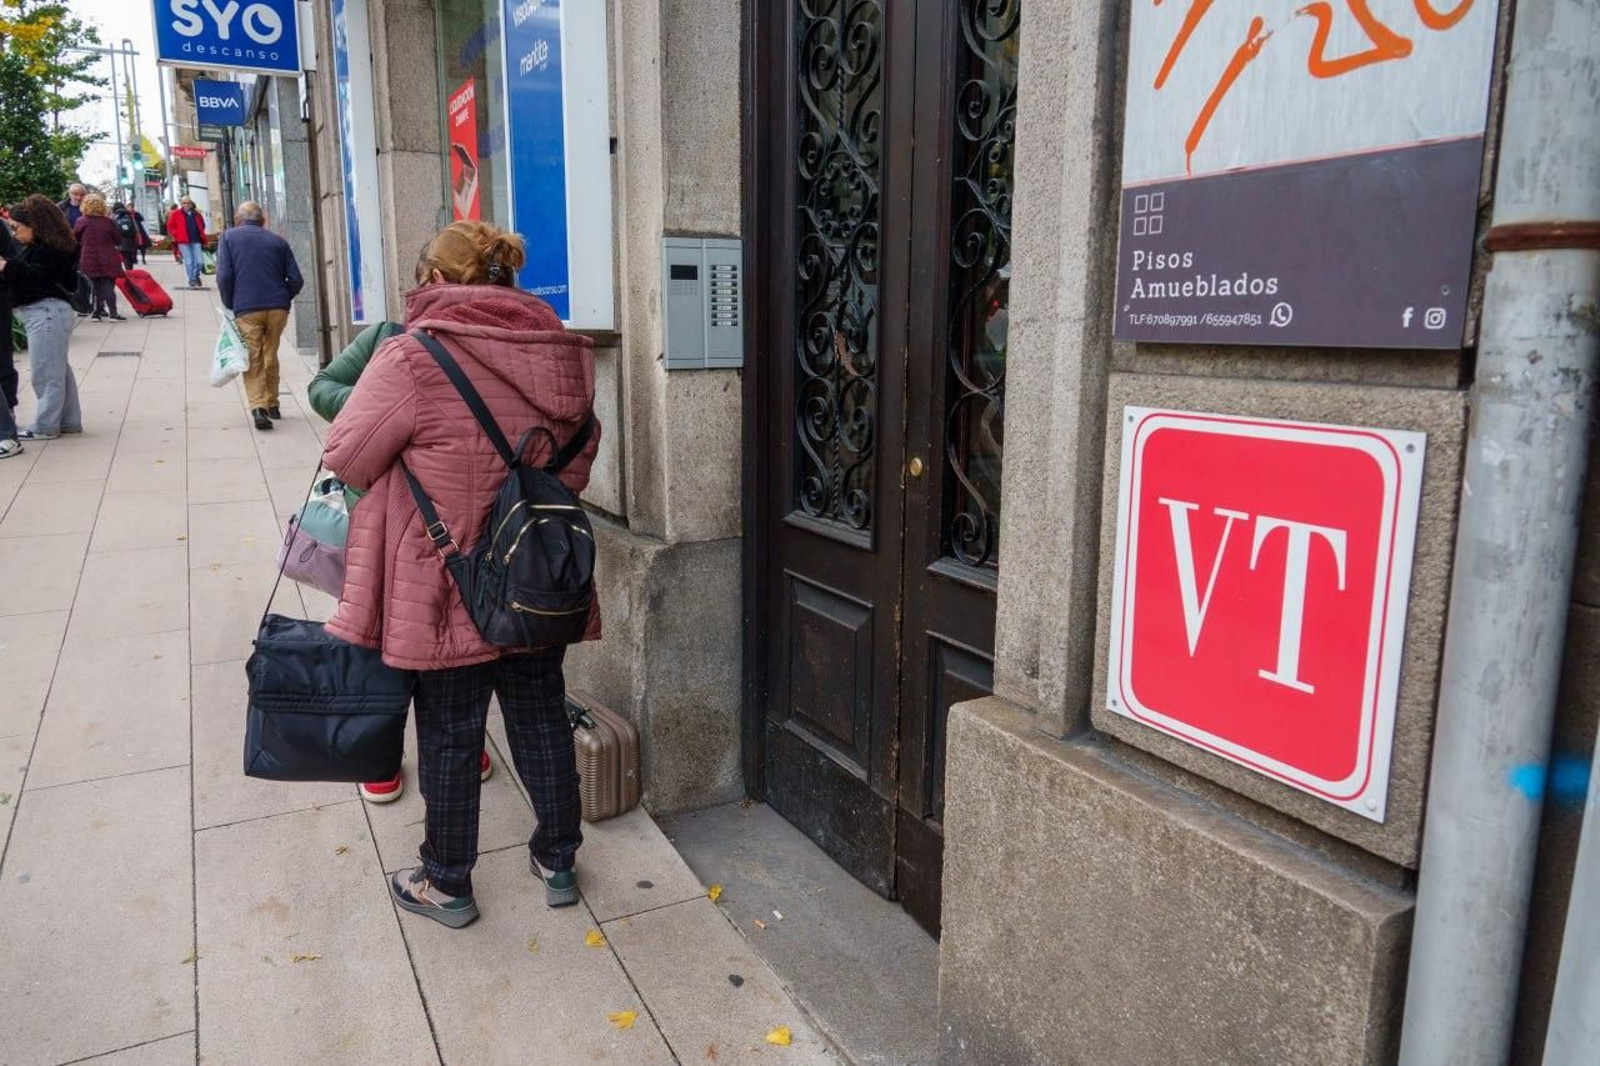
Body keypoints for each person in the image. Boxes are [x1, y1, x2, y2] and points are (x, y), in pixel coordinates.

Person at [321, 220, 601, 927]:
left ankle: (446, 882)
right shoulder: (562, 353)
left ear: (438, 281)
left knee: (449, 731)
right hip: (535, 575)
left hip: (443, 581)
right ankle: (558, 857)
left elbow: (346, 455)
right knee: (540, 714)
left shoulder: (414, 355)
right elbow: (575, 464)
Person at [307, 268, 490, 805]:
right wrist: (378, 408)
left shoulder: (491, 347)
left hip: (456, 526)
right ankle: (381, 758)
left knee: (452, 643)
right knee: (377, 641)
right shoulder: (387, 337)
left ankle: (464, 746)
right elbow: (322, 387)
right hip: (379, 519)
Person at [0, 196, 84, 441]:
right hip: (48, 313)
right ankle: (68, 421)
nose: (15, 234)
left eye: (17, 228)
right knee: (57, 370)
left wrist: (7, 267)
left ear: (34, 225)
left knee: (46, 373)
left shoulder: (48, 250)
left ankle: (45, 425)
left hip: (45, 313)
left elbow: (39, 278)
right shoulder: (49, 247)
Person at [216, 202, 302, 430]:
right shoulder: (278, 241)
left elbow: (224, 275)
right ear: (262, 219)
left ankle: (259, 408)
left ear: (238, 218)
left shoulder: (228, 238)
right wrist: (284, 297)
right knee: (270, 353)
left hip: (247, 307)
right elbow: (296, 279)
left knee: (253, 357)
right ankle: (273, 404)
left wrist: (230, 303)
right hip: (277, 308)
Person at [73, 194, 126, 322]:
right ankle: (113, 314)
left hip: (89, 257)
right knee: (108, 285)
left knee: (95, 286)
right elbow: (118, 241)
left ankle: (96, 313)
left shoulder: (81, 221)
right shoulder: (108, 222)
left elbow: (75, 239)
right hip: (108, 256)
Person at [167, 196, 207, 289]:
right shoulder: (176, 214)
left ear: (191, 203)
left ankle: (196, 275)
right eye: (184, 203)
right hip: (183, 241)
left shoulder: (196, 214)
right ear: (181, 204)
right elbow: (170, 226)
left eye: (188, 203)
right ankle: (191, 280)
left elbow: (202, 225)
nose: (186, 205)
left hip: (196, 240)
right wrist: (176, 234)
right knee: (189, 262)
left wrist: (200, 233)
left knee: (199, 262)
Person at [111, 202, 141, 270]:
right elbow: (136, 228)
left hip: (120, 241)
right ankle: (130, 273)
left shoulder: (115, 216)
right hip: (130, 241)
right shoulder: (129, 215)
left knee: (122, 259)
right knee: (128, 260)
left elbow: (112, 229)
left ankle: (124, 275)